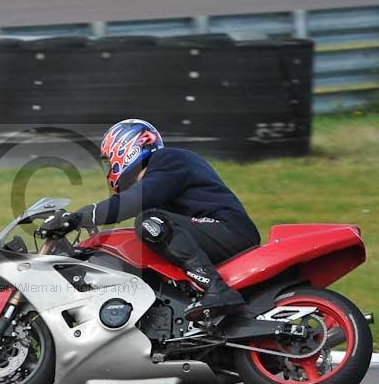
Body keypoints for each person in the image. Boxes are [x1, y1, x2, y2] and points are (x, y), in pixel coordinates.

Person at [40, 118, 260, 320]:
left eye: (109, 160)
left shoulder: (169, 159)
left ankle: (217, 290)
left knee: (150, 223)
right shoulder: (160, 177)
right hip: (211, 233)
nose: (109, 169)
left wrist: (79, 217)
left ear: (127, 146)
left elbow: (136, 200)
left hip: (229, 230)